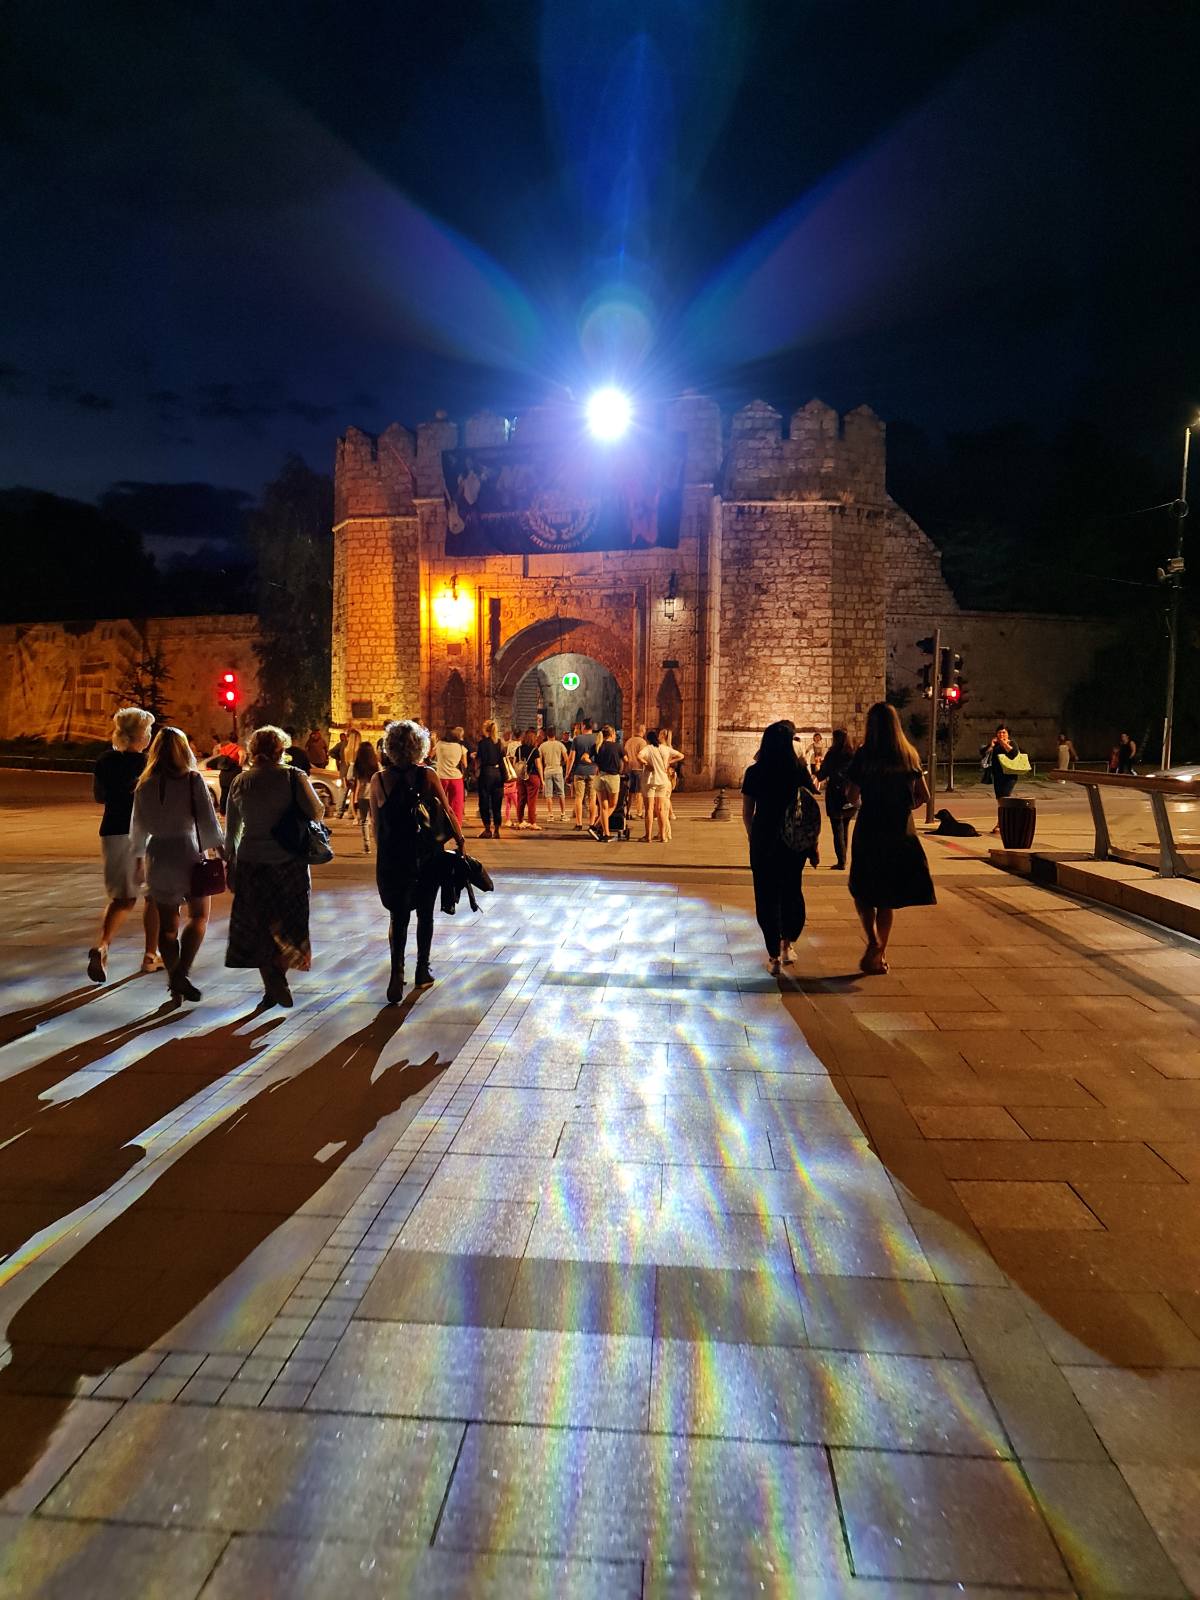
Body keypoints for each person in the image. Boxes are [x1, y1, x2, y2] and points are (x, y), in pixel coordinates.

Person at [224, 724, 324, 1008]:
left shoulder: (241, 781)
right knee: (289, 923)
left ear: (253, 751)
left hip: (252, 861)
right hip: (289, 862)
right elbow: (317, 811)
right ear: (281, 750)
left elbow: (232, 829)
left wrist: (230, 862)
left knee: (259, 924)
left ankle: (271, 982)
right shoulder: (294, 776)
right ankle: (277, 979)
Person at [368, 719, 464, 1001]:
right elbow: (447, 811)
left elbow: (376, 823)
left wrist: (384, 852)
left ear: (390, 747)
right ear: (419, 746)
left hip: (394, 856)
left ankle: (397, 973)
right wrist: (460, 839)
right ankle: (422, 970)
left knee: (398, 916)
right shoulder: (428, 775)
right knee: (425, 913)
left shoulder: (379, 780)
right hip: (425, 854)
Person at [129, 726, 223, 1003]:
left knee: (168, 926)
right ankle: (181, 973)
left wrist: (138, 860)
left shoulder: (144, 784)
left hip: (158, 853)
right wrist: (221, 851)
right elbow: (207, 820)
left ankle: (174, 978)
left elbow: (137, 827)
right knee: (199, 916)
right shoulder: (192, 780)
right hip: (187, 851)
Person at [844, 702, 935, 975]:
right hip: (899, 829)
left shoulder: (865, 755)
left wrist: (863, 802)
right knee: (887, 894)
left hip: (870, 826)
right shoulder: (908, 754)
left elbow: (851, 795)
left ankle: (873, 940)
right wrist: (905, 806)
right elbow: (924, 795)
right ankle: (880, 954)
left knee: (863, 888)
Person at [87, 706, 161, 982]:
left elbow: (99, 796)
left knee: (122, 899)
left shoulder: (105, 760)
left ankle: (102, 945)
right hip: (143, 832)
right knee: (153, 896)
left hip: (112, 831)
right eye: (148, 730)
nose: (150, 735)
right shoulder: (148, 763)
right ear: (140, 734)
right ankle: (150, 955)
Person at [742, 720, 819, 973]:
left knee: (766, 895)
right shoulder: (798, 771)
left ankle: (773, 956)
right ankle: (787, 944)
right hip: (793, 842)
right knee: (791, 891)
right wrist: (813, 844)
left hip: (764, 839)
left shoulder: (754, 772)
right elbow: (809, 810)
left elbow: (747, 812)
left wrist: (753, 837)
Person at [817, 727, 857, 870]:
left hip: (835, 793)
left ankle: (841, 860)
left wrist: (818, 769)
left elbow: (822, 775)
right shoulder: (853, 754)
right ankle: (843, 858)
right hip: (849, 794)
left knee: (837, 828)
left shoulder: (832, 754)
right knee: (845, 826)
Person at [639, 728, 683, 842]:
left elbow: (639, 756)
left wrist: (646, 763)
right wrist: (668, 762)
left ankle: (648, 836)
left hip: (650, 781)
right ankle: (663, 836)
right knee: (661, 809)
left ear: (648, 740)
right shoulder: (665, 748)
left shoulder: (648, 748)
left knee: (649, 809)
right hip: (663, 780)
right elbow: (681, 755)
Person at [984, 723, 1022, 835]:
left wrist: (1004, 743)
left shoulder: (1011, 743)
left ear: (1008, 734)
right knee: (1000, 800)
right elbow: (984, 755)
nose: (1001, 734)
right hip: (998, 776)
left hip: (1009, 776)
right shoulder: (995, 745)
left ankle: (1002, 824)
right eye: (999, 732)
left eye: (1004, 732)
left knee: (1005, 799)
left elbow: (1013, 754)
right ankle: (1003, 822)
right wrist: (991, 745)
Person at [475, 718, 505, 837]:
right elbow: (502, 758)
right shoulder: (500, 742)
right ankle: (497, 830)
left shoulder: (482, 743)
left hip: (486, 773)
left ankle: (487, 829)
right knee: (497, 802)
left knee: (484, 801)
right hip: (498, 773)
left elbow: (479, 759)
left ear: (485, 729)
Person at [592, 724, 623, 840]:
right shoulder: (617, 746)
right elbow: (626, 759)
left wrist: (595, 765)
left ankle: (606, 834)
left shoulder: (597, 745)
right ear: (612, 734)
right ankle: (595, 826)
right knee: (612, 805)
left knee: (603, 806)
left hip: (599, 776)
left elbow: (585, 757)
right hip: (612, 777)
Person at [567, 718, 599, 830]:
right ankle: (592, 824)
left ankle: (579, 824)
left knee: (579, 798)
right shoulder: (597, 739)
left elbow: (571, 758)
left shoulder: (577, 739)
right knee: (592, 798)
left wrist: (568, 773)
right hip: (593, 771)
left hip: (579, 771)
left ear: (584, 726)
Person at [433, 726, 467, 827]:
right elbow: (465, 764)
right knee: (456, 805)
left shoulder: (439, 744)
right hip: (456, 778)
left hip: (441, 778)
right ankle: (456, 828)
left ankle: (439, 826)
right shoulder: (461, 747)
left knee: (439, 803)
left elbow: (430, 755)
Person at [352, 736, 380, 853]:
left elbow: (356, 782)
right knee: (376, 820)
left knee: (364, 821)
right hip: (374, 795)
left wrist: (354, 799)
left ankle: (367, 845)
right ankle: (379, 844)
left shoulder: (357, 765)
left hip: (362, 795)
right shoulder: (376, 764)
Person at [539, 727, 568, 821]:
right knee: (561, 793)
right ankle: (563, 814)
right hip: (558, 770)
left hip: (547, 771)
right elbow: (566, 759)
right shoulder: (560, 745)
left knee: (548, 794)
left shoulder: (542, 746)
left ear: (547, 735)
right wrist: (561, 764)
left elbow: (539, 760)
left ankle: (550, 815)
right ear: (555, 735)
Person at [516, 728, 543, 828]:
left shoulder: (518, 749)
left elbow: (515, 763)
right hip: (532, 777)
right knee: (532, 801)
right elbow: (538, 765)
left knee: (521, 800)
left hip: (520, 777)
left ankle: (520, 821)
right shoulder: (534, 750)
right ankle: (532, 822)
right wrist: (542, 779)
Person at [622, 725, 647, 819]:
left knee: (630, 792)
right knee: (639, 792)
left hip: (629, 768)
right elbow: (642, 756)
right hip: (639, 769)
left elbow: (624, 755)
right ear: (643, 731)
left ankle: (628, 812)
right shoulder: (642, 742)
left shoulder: (629, 741)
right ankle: (639, 812)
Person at [336, 726, 361, 818]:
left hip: (347, 771)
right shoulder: (359, 749)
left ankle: (339, 812)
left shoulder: (346, 749)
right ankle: (351, 813)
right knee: (354, 793)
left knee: (343, 792)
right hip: (355, 771)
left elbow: (346, 762)